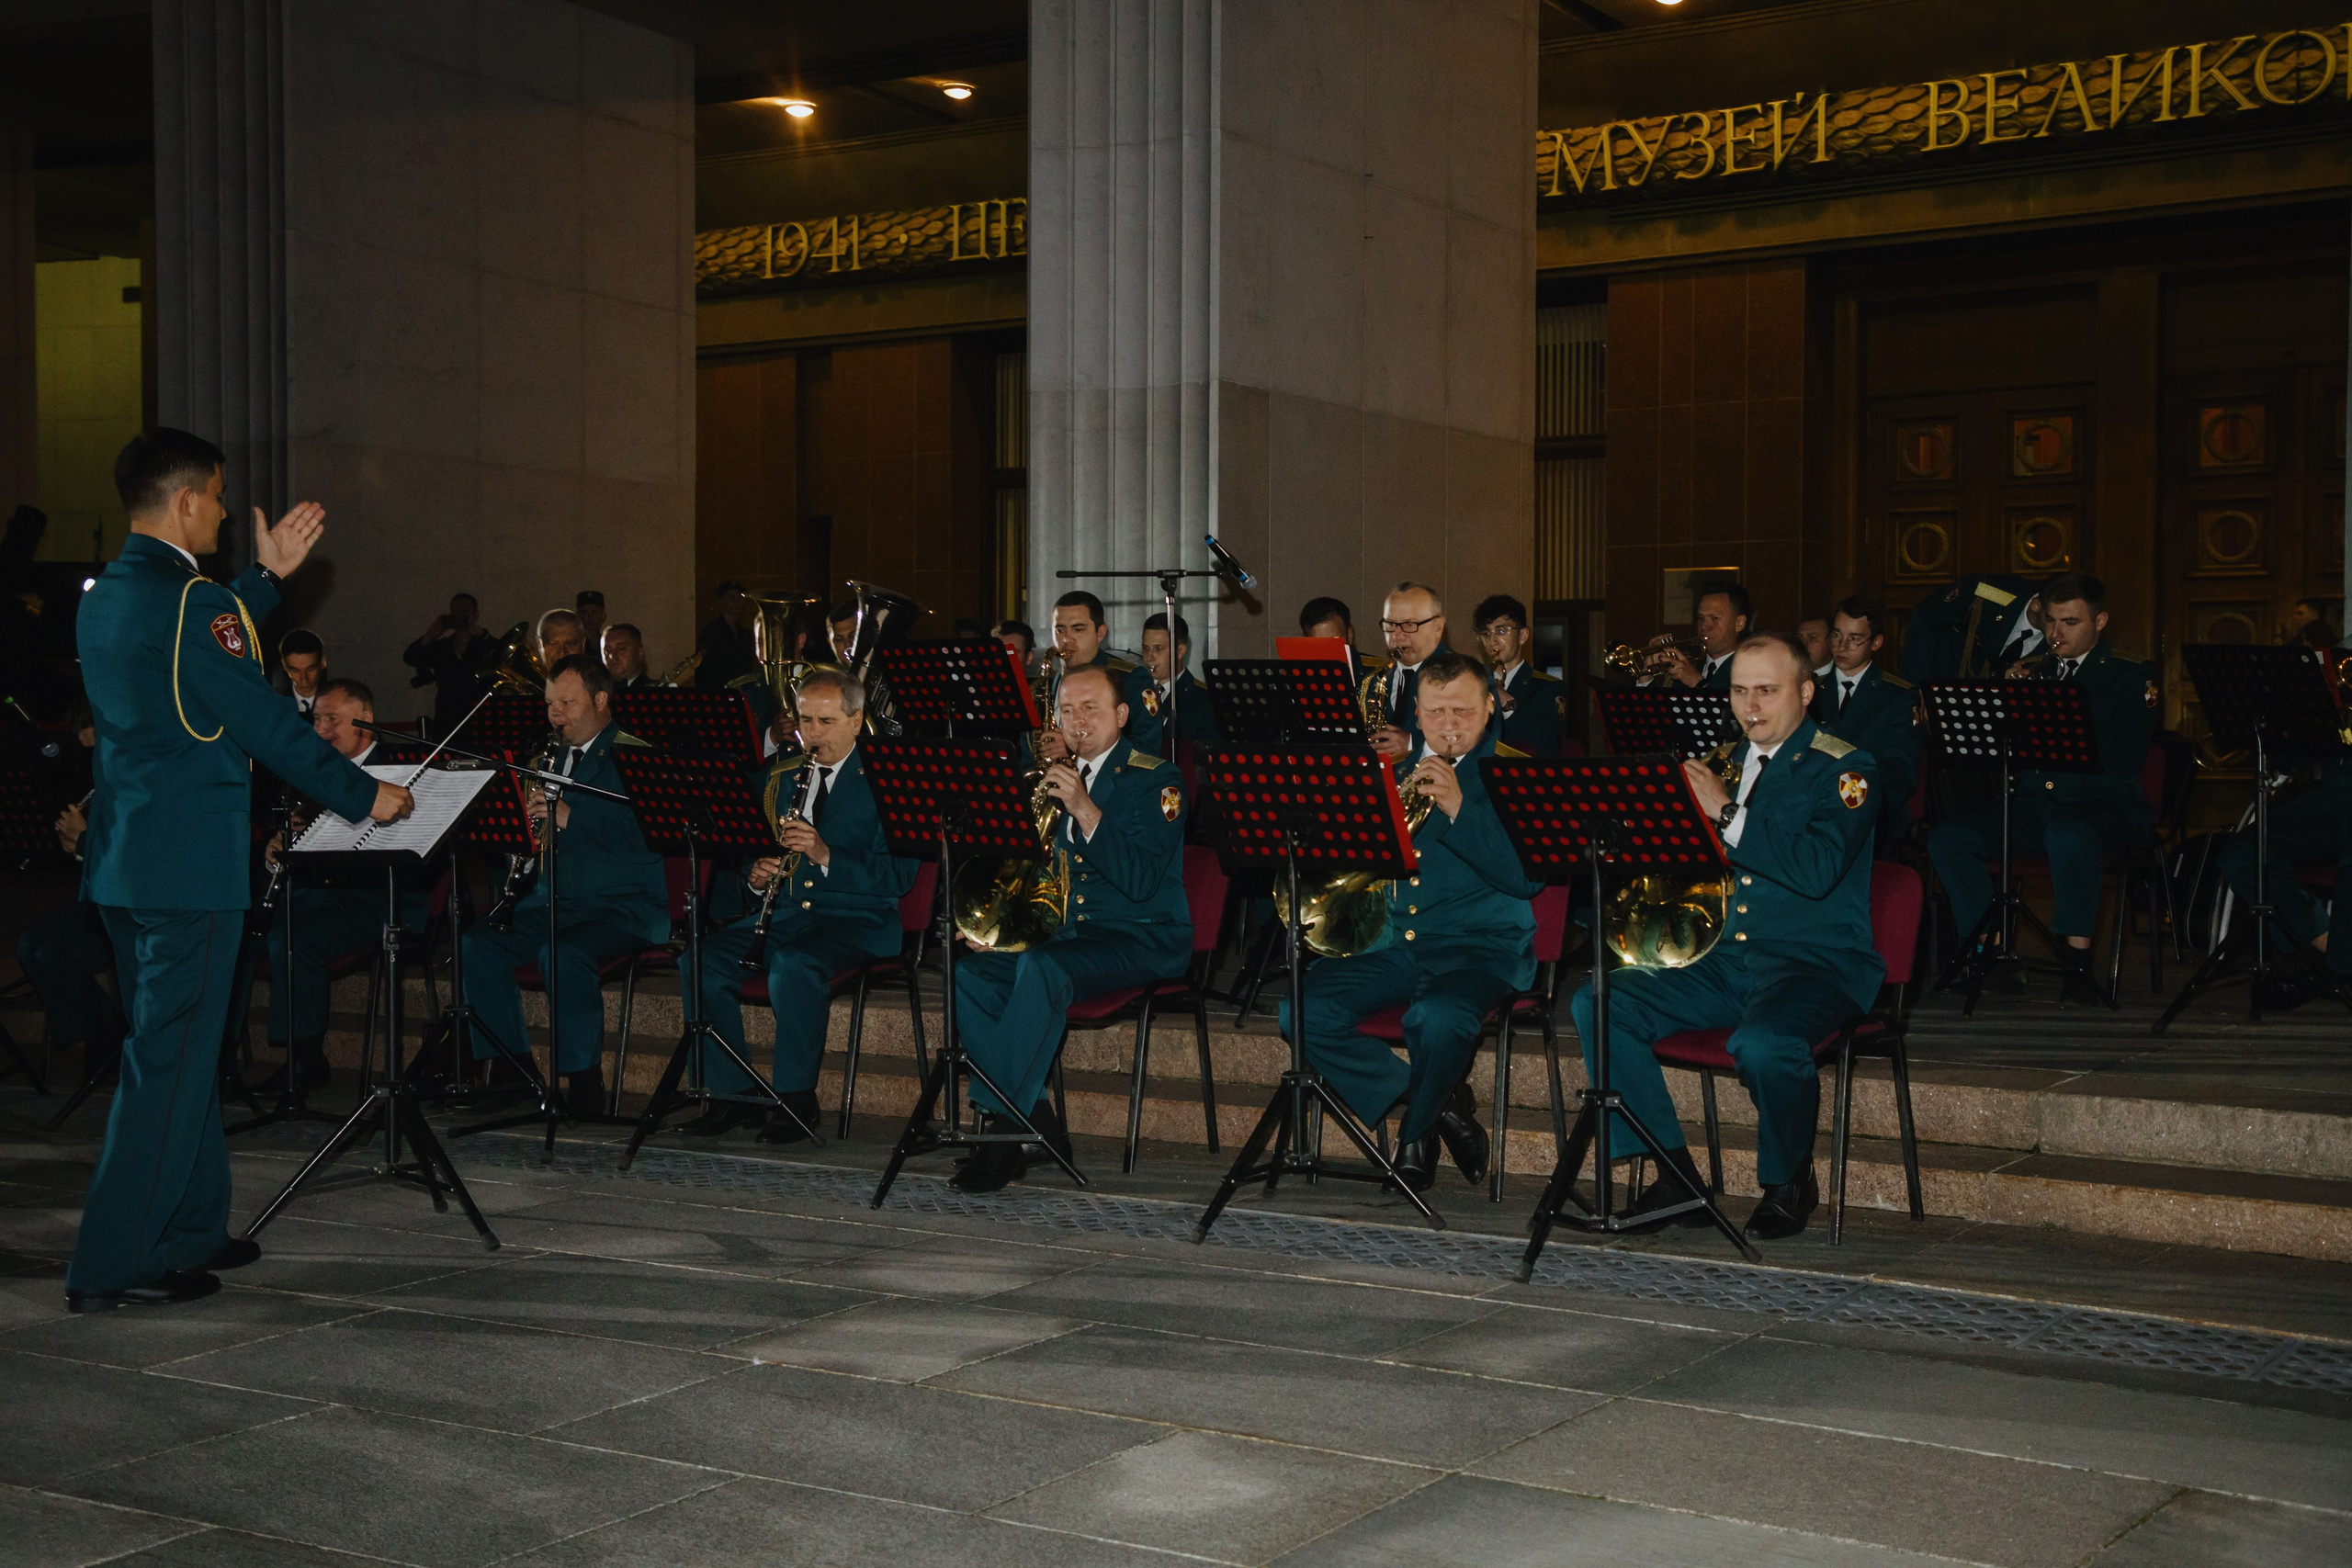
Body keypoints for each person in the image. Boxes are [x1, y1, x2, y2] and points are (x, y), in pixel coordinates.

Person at [67, 427, 413, 1313]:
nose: (225, 509)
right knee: (168, 1062)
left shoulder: (106, 595)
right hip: (187, 865)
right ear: (185, 501)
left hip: (125, 860)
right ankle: (117, 1259)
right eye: (218, 494)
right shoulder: (189, 600)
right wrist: (358, 793)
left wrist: (262, 580)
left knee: (185, 1048)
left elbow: (191, 655)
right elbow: (257, 715)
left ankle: (189, 1226)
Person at [1576, 631, 1882, 1242]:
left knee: (1766, 1043)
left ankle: (1789, 1178)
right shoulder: (1725, 761)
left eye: (1766, 690)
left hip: (1813, 964)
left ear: (1805, 691)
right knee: (1601, 1000)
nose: (1751, 706)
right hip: (1723, 959)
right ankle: (1675, 1175)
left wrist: (1724, 813)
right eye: (1740, 690)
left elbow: (1816, 870)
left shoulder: (1846, 768)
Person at [1286, 651, 1531, 1190]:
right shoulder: (1389, 775)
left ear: (1490, 708)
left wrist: (1460, 808)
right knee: (1301, 1011)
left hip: (1480, 948)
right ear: (1415, 713)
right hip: (1396, 943)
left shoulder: (1517, 772)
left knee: (1436, 1018)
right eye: (1436, 712)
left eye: (1462, 712)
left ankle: (1414, 1137)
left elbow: (1526, 880)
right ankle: (1439, 1105)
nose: (1448, 725)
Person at [950, 665, 1190, 1192]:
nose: (1077, 721)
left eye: (1091, 709)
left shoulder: (1156, 779)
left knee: (1042, 967)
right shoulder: (1045, 780)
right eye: (1067, 710)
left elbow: (1142, 880)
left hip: (1140, 936)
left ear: (1121, 716)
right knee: (972, 974)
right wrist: (994, 928)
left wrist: (1084, 808)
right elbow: (1030, 878)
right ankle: (1038, 1123)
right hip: (1067, 937)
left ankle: (1000, 1132)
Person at [684, 670, 919, 1141]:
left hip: (859, 921)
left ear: (857, 721)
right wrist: (757, 875)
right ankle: (732, 1094)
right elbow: (757, 846)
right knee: (699, 959)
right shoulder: (782, 775)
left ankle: (795, 1099)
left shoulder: (892, 778)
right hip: (788, 913)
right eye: (805, 720)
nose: (812, 733)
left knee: (794, 965)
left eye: (826, 722)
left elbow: (899, 878)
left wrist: (825, 854)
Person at [1926, 573, 2157, 998]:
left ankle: (2077, 962)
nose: (2055, 633)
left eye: (2070, 622)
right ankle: (1991, 953)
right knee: (1948, 836)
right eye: (2049, 621)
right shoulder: (2034, 670)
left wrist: (2054, 711)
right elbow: (1992, 750)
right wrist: (2006, 704)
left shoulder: (2130, 674)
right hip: (2035, 803)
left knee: (2069, 832)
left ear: (2100, 621)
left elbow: (2125, 758)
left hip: (2103, 805)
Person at [459, 654, 666, 1115]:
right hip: (553, 901)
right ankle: (511, 1069)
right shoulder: (544, 760)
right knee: (478, 944)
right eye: (550, 704)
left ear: (600, 699)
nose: (555, 714)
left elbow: (649, 843)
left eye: (567, 703)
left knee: (563, 951)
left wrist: (571, 817)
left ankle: (583, 1083)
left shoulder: (637, 756)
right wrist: (516, 841)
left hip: (620, 906)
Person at [256, 678, 430, 1094]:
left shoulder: (405, 768)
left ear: (366, 719)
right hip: (323, 893)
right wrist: (280, 845)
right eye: (316, 719)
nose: (320, 730)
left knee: (295, 939)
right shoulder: (312, 772)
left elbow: (414, 849)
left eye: (331, 719)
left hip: (379, 898)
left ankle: (305, 1060)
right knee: (239, 927)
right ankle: (220, 1061)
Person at [17, 710, 113, 1064]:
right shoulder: (90, 780)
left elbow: (128, 853)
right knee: (29, 944)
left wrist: (84, 841)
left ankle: (100, 1039)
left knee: (53, 952)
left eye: (98, 748)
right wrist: (73, 844)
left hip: (130, 904)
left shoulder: (130, 776)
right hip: (99, 899)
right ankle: (101, 1027)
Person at [1812, 594, 1920, 854]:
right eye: (1836, 636)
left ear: (1876, 642)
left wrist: (1862, 802)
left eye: (1854, 639)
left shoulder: (1897, 696)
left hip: (1871, 809)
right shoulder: (1811, 691)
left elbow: (1900, 771)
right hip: (1816, 803)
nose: (1841, 646)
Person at [1037, 592, 1163, 761]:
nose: (1067, 640)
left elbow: (1147, 751)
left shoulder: (1132, 679)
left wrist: (1074, 748)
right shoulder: (1046, 685)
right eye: (1059, 630)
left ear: (1101, 633)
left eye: (1078, 629)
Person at [1899, 573, 2044, 683]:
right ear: (2036, 604)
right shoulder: (1997, 595)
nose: (2059, 630)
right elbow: (1928, 613)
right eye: (2051, 618)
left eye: (2068, 622)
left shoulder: (2063, 642)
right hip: (1947, 679)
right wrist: (1917, 689)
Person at [1365, 583, 1452, 760]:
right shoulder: (1374, 682)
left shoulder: (1466, 677)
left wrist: (1413, 742)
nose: (1397, 636)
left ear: (1438, 626)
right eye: (1390, 624)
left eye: (1409, 625)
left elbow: (1482, 741)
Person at [1475, 593, 1564, 758]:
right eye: (1486, 634)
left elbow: (1546, 748)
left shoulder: (1547, 687)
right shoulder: (1473, 681)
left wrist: (1505, 699)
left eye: (1501, 631)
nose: (1492, 641)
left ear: (1522, 636)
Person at [403, 592, 490, 735]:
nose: (460, 616)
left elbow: (503, 655)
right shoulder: (442, 647)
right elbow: (410, 657)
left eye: (465, 612)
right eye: (455, 612)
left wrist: (481, 635)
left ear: (476, 615)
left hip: (480, 720)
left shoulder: (485, 645)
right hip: (447, 720)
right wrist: (431, 635)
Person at [1641, 578, 1748, 690]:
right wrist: (1645, 678)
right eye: (1701, 618)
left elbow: (1733, 706)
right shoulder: (1688, 666)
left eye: (1714, 618)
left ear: (1739, 623)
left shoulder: (1749, 670)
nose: (1704, 626)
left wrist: (1697, 683)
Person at [1140, 611, 1218, 750]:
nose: (1149, 657)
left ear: (1180, 651)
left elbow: (1204, 755)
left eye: (1158, 649)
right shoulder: (1136, 690)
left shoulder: (1203, 699)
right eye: (1146, 648)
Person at [1299, 595, 1385, 694]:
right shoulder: (1296, 675)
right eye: (1317, 644)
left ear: (1349, 635)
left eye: (1333, 642)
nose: (1326, 651)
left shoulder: (1378, 672)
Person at [692, 580, 759, 691]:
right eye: (731, 598)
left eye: (739, 598)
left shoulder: (745, 635)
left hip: (741, 693)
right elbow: (703, 672)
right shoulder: (711, 633)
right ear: (721, 601)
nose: (736, 602)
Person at [278, 628, 325, 717]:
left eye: (310, 669)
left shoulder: (339, 701)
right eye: (295, 670)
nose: (304, 679)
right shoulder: (274, 699)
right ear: (284, 664)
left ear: (322, 662)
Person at [602, 623, 659, 691]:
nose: (611, 656)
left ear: (640, 653)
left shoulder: (654, 691)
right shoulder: (597, 691)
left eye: (621, 648)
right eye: (607, 650)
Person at [1797, 615, 1834, 681]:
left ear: (1831, 641)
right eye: (1800, 638)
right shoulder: (1787, 674)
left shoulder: (1843, 676)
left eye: (1812, 638)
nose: (1803, 644)